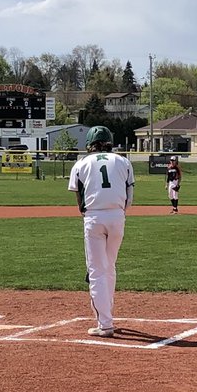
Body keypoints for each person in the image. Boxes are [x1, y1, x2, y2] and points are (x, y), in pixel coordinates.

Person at [68, 125, 134, 337]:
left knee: (96, 271)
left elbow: (79, 197)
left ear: (90, 144)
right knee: (109, 267)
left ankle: (105, 323)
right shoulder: (124, 161)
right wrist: (119, 213)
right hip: (118, 216)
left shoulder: (81, 163)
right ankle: (107, 313)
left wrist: (87, 214)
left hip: (94, 217)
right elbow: (129, 195)